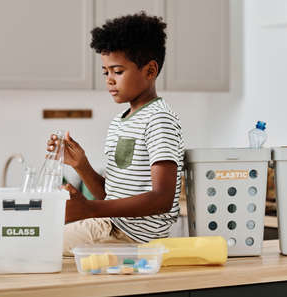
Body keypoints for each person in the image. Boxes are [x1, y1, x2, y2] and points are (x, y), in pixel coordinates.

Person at [48, 11, 184, 256]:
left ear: (150, 71)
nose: (110, 80)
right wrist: (82, 166)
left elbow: (162, 199)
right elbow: (110, 196)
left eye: (118, 71)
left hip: (129, 237)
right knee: (35, 241)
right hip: (112, 227)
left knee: (38, 245)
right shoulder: (120, 123)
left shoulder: (159, 119)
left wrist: (89, 209)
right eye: (106, 72)